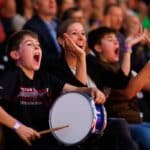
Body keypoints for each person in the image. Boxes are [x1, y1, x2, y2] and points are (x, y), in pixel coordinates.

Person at [0, 29, 105, 150]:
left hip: (50, 140)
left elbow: (74, 89)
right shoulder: (11, 76)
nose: (36, 47)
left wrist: (91, 90)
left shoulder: (44, 77)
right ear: (15, 55)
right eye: (30, 44)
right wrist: (18, 127)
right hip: (24, 143)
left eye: (38, 45)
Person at [50, 19, 139, 150]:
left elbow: (121, 81)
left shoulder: (91, 63)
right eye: (74, 33)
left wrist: (127, 48)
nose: (81, 37)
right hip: (76, 128)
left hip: (101, 123)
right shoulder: (55, 69)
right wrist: (81, 57)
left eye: (83, 33)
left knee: (122, 127)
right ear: (61, 41)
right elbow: (79, 97)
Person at [87, 26, 150, 150]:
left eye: (117, 39)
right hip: (123, 125)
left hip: (140, 122)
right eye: (110, 39)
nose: (116, 42)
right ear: (98, 47)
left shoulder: (121, 68)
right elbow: (128, 92)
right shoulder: (100, 71)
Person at [23, 0, 61, 71]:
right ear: (36, 5)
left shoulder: (59, 23)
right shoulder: (31, 27)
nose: (52, 1)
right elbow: (40, 57)